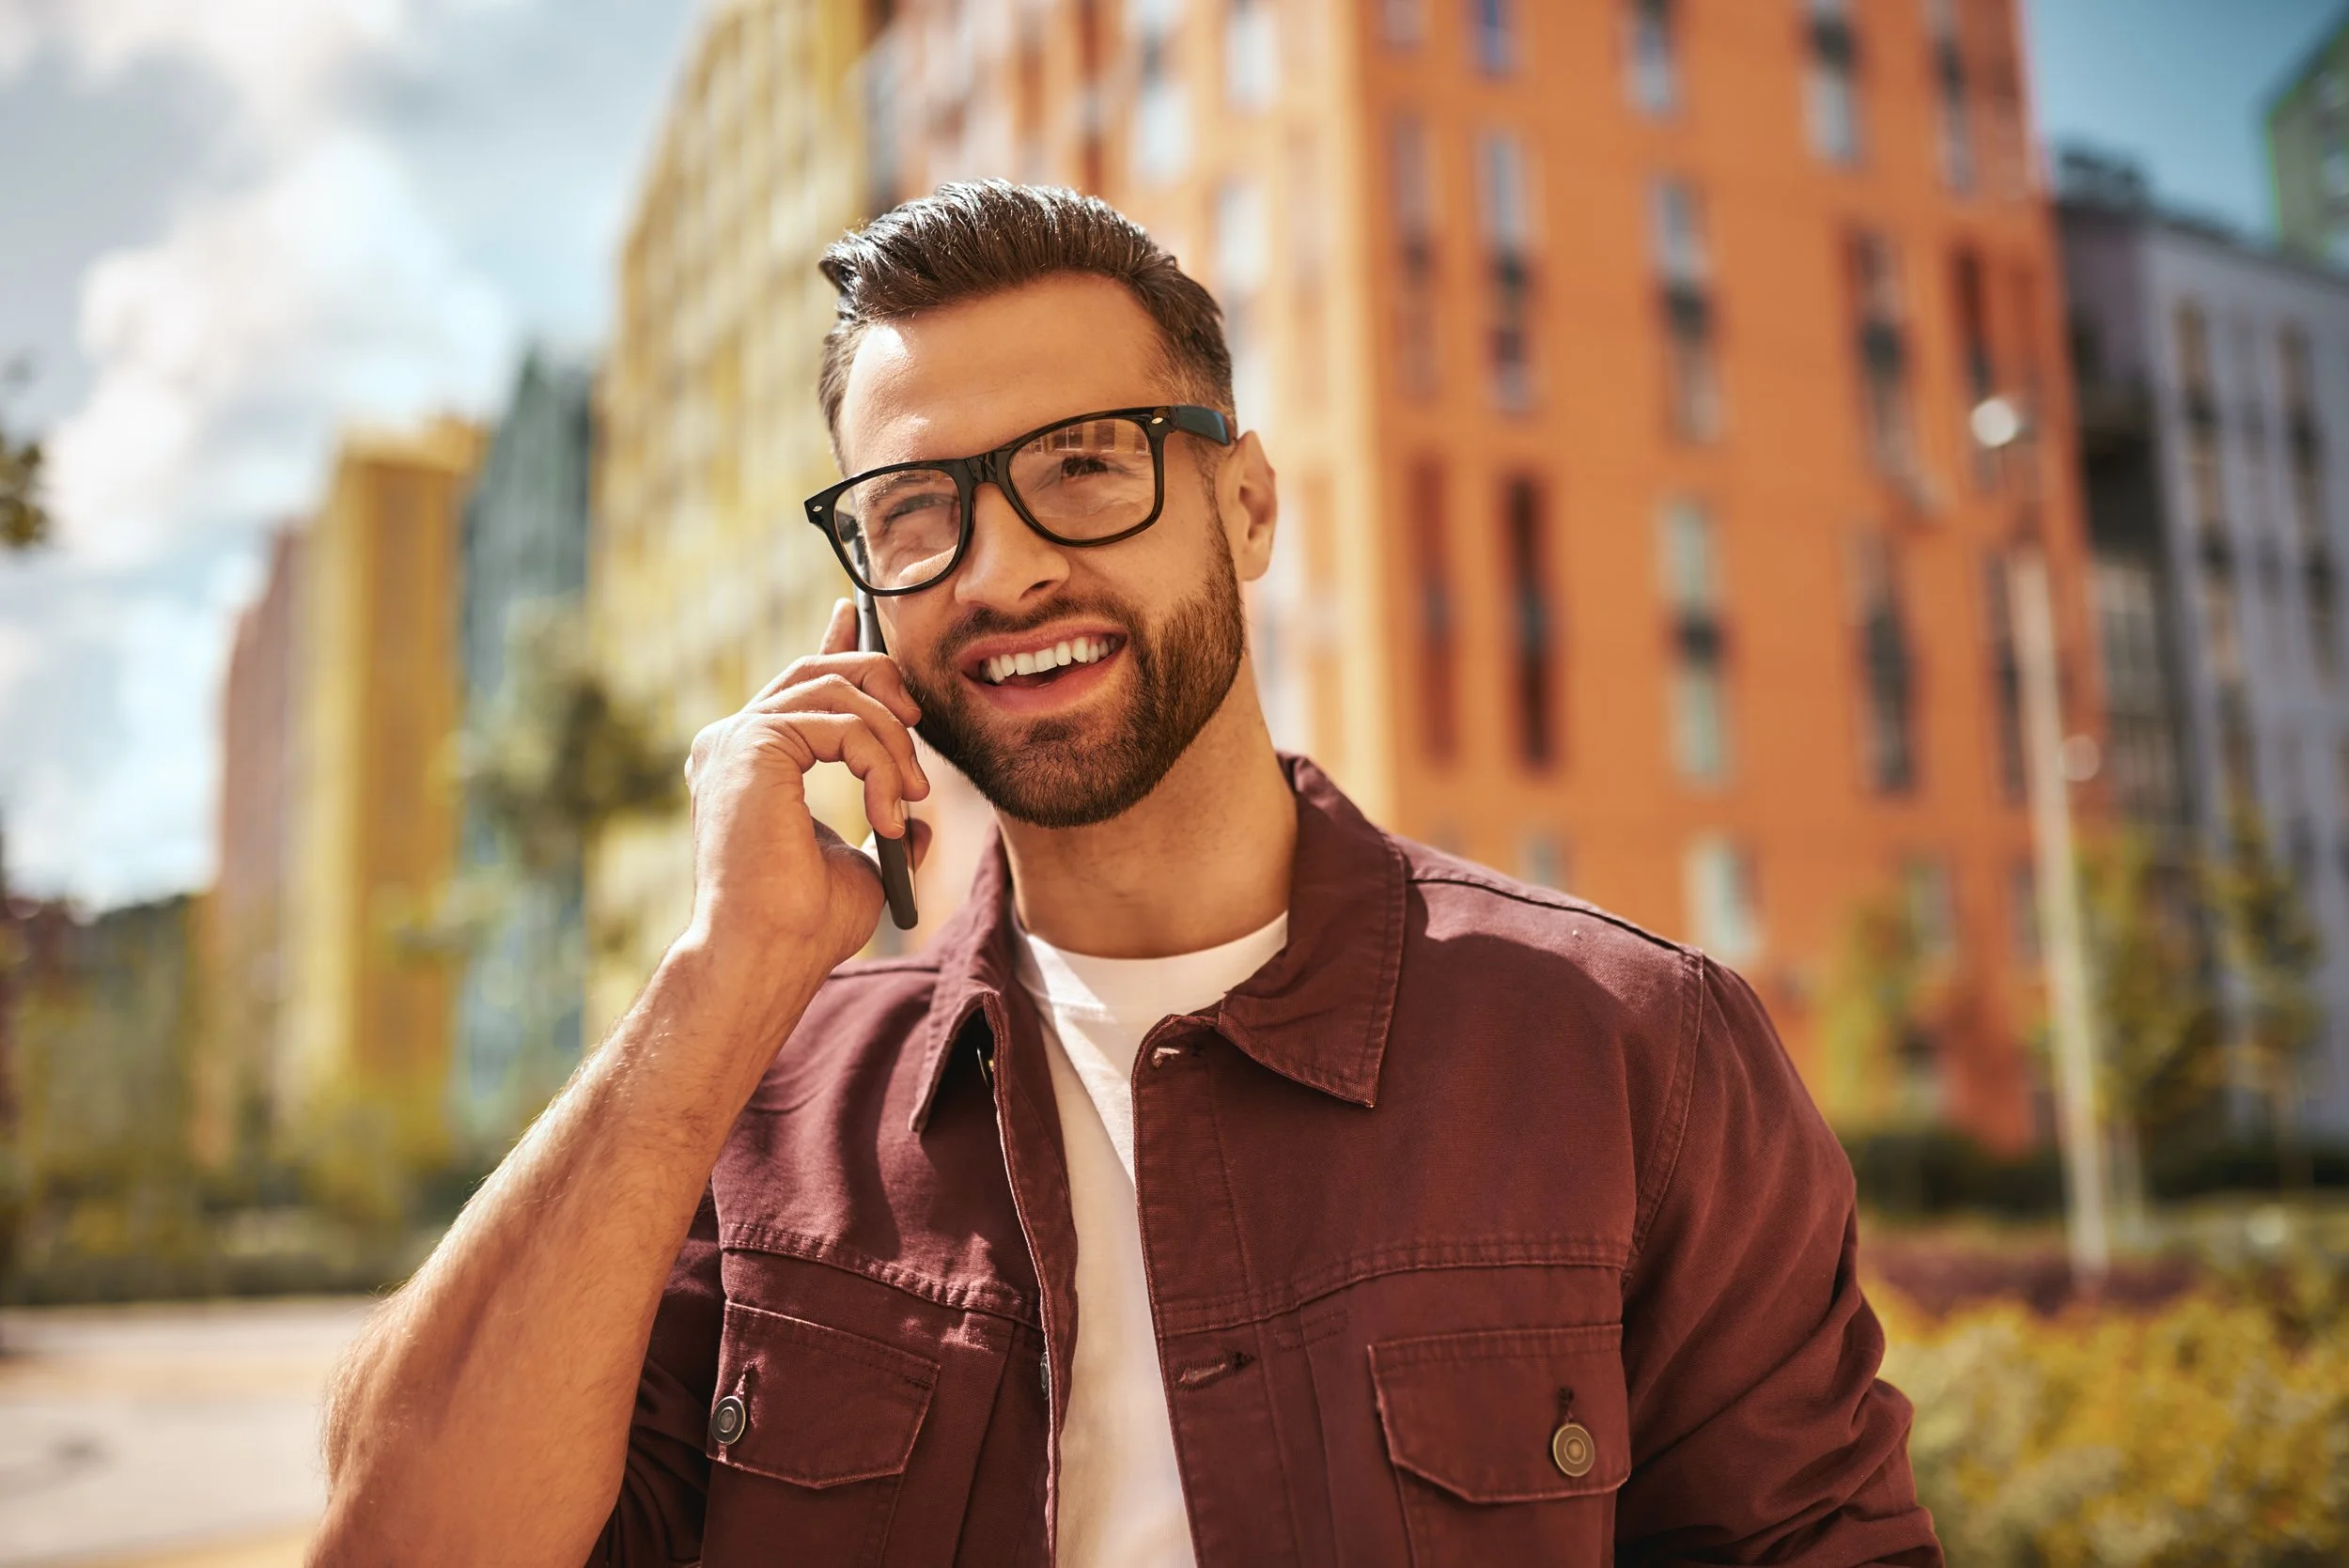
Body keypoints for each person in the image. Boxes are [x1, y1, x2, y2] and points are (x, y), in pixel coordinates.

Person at [316, 181, 1941, 1568]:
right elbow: (399, 1538)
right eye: (914, 512)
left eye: (1088, 464)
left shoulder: (1635, 1054)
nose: (1006, 567)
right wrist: (713, 986)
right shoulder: (747, 1110)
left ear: (1245, 508)